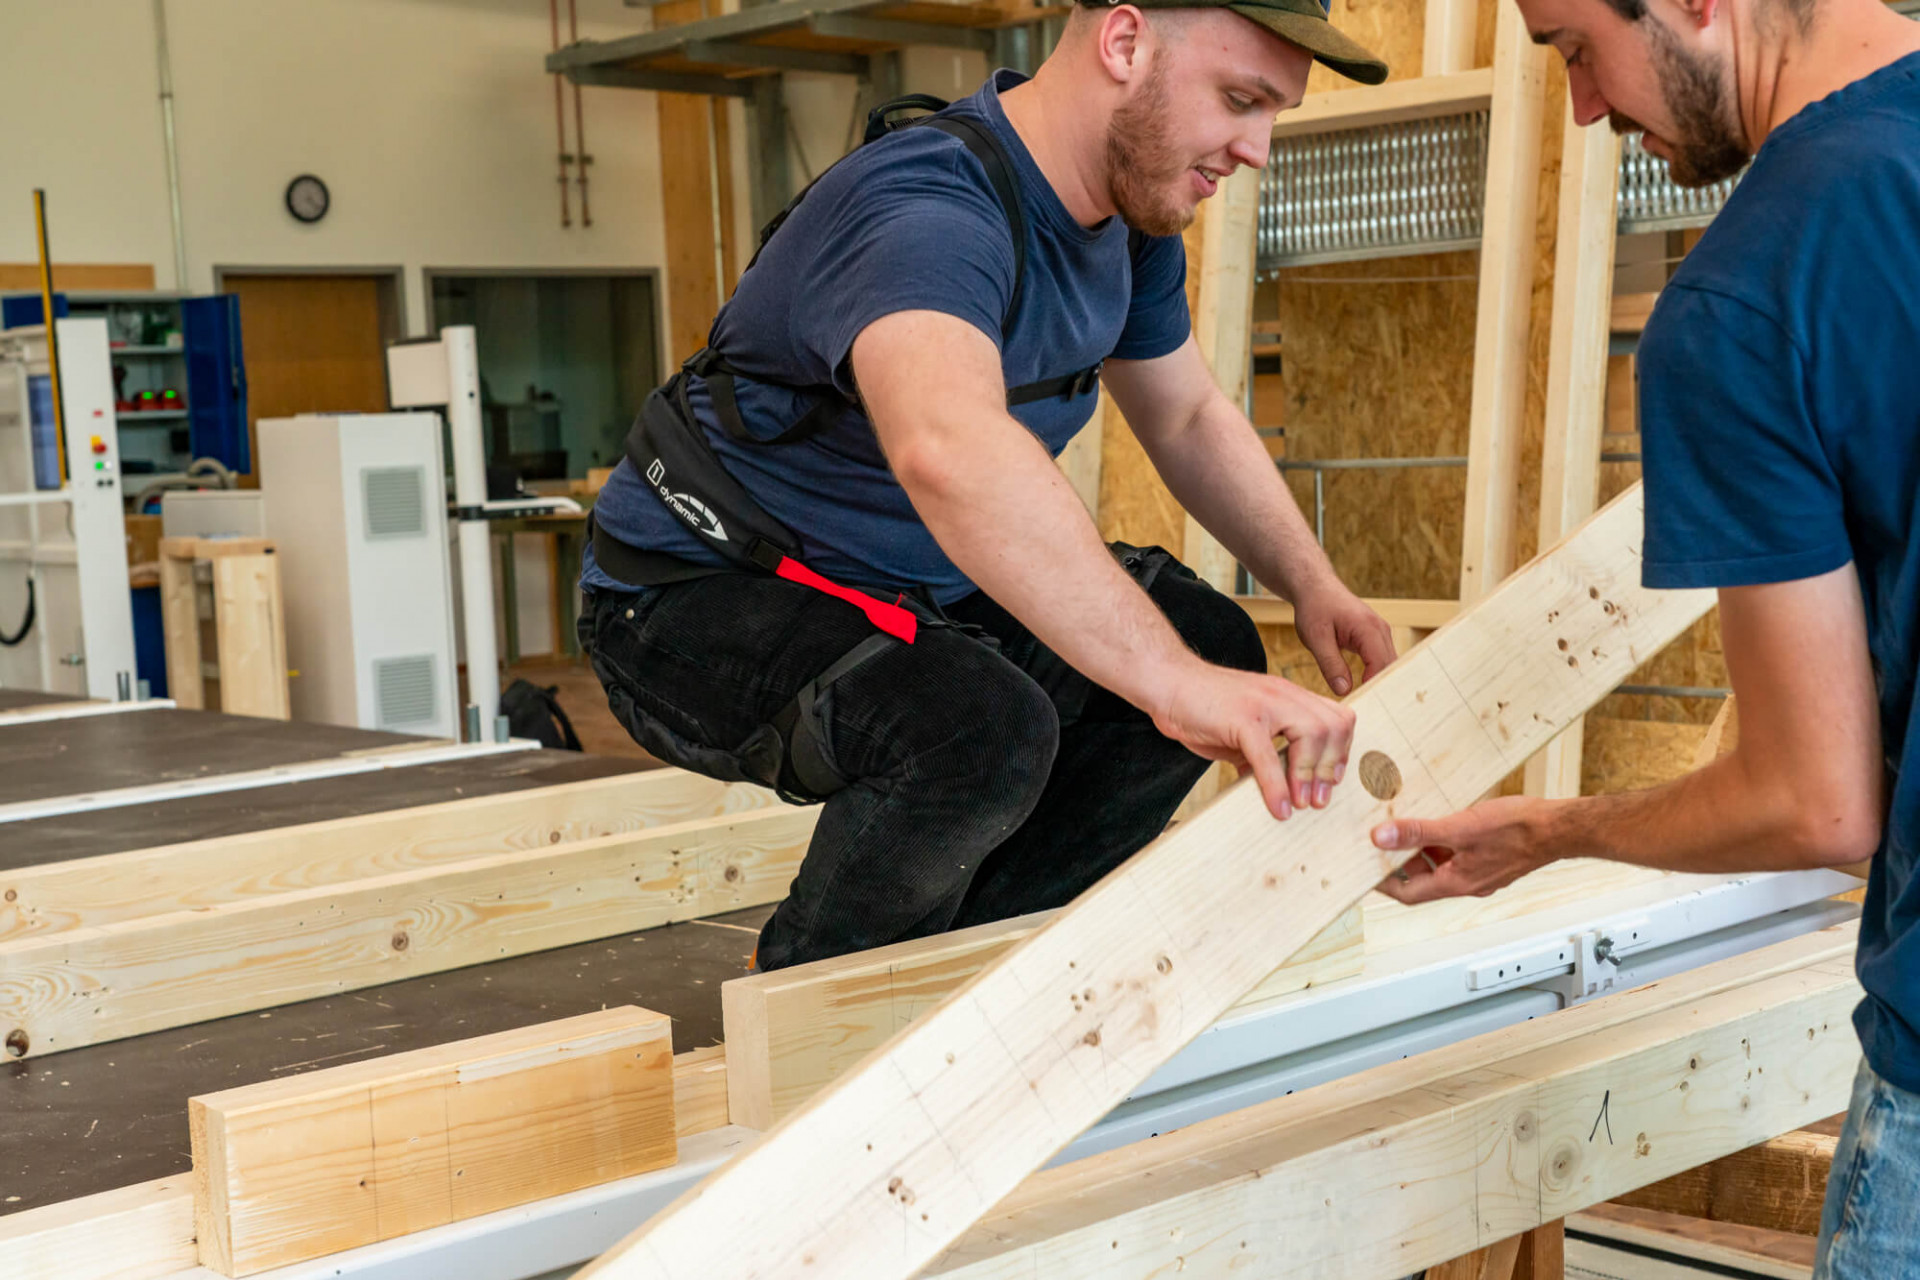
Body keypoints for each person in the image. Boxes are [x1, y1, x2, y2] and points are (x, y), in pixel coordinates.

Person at [580, 0, 1399, 972]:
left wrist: (1312, 584)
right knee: (979, 729)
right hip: (696, 588)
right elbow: (950, 446)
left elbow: (1184, 417)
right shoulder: (928, 210)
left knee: (1208, 639)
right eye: (1239, 99)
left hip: (905, 584)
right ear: (1125, 42)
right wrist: (1177, 687)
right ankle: (813, 1004)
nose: (1256, 148)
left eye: (1274, 114)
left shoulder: (1127, 227)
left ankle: (991, 976)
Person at [1365, 0, 1920, 1272]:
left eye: (1570, 46)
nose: (1585, 107)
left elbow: (1817, 805)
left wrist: (1551, 830)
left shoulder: (1746, 297)